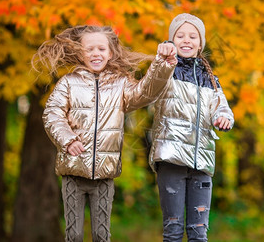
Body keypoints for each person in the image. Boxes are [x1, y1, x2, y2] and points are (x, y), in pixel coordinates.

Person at [33, 25, 177, 242]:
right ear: (80, 53)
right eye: (89, 49)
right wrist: (68, 140)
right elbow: (52, 114)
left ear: (110, 53)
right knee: (73, 235)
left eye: (101, 49)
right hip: (73, 170)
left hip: (105, 174)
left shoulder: (121, 84)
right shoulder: (68, 83)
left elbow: (144, 93)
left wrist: (162, 66)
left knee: (102, 234)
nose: (95, 54)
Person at [148, 13, 234, 241]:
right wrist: (161, 60)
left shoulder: (211, 78)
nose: (186, 40)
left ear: (200, 43)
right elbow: (149, 88)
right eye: (180, 35)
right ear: (171, 40)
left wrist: (224, 118)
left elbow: (222, 108)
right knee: (173, 230)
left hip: (202, 162)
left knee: (199, 232)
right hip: (172, 158)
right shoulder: (166, 71)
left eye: (193, 36)